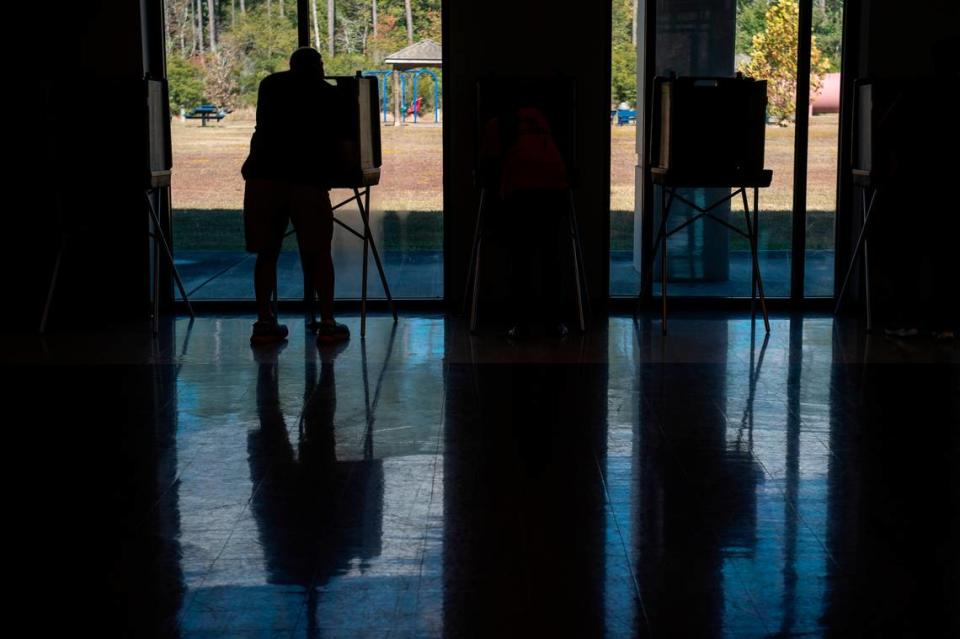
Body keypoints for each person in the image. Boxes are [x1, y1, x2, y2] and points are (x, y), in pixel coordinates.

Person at [241, 47, 352, 345]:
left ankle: (264, 321)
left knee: (267, 252)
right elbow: (341, 140)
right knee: (318, 253)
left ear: (291, 65)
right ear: (317, 66)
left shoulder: (270, 85)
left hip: (263, 178)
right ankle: (327, 322)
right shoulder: (328, 95)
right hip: (307, 181)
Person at [480, 105, 571, 339]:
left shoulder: (496, 124)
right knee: (550, 256)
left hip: (520, 191)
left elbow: (490, 165)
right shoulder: (539, 116)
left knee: (521, 258)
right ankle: (554, 322)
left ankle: (521, 324)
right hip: (554, 191)